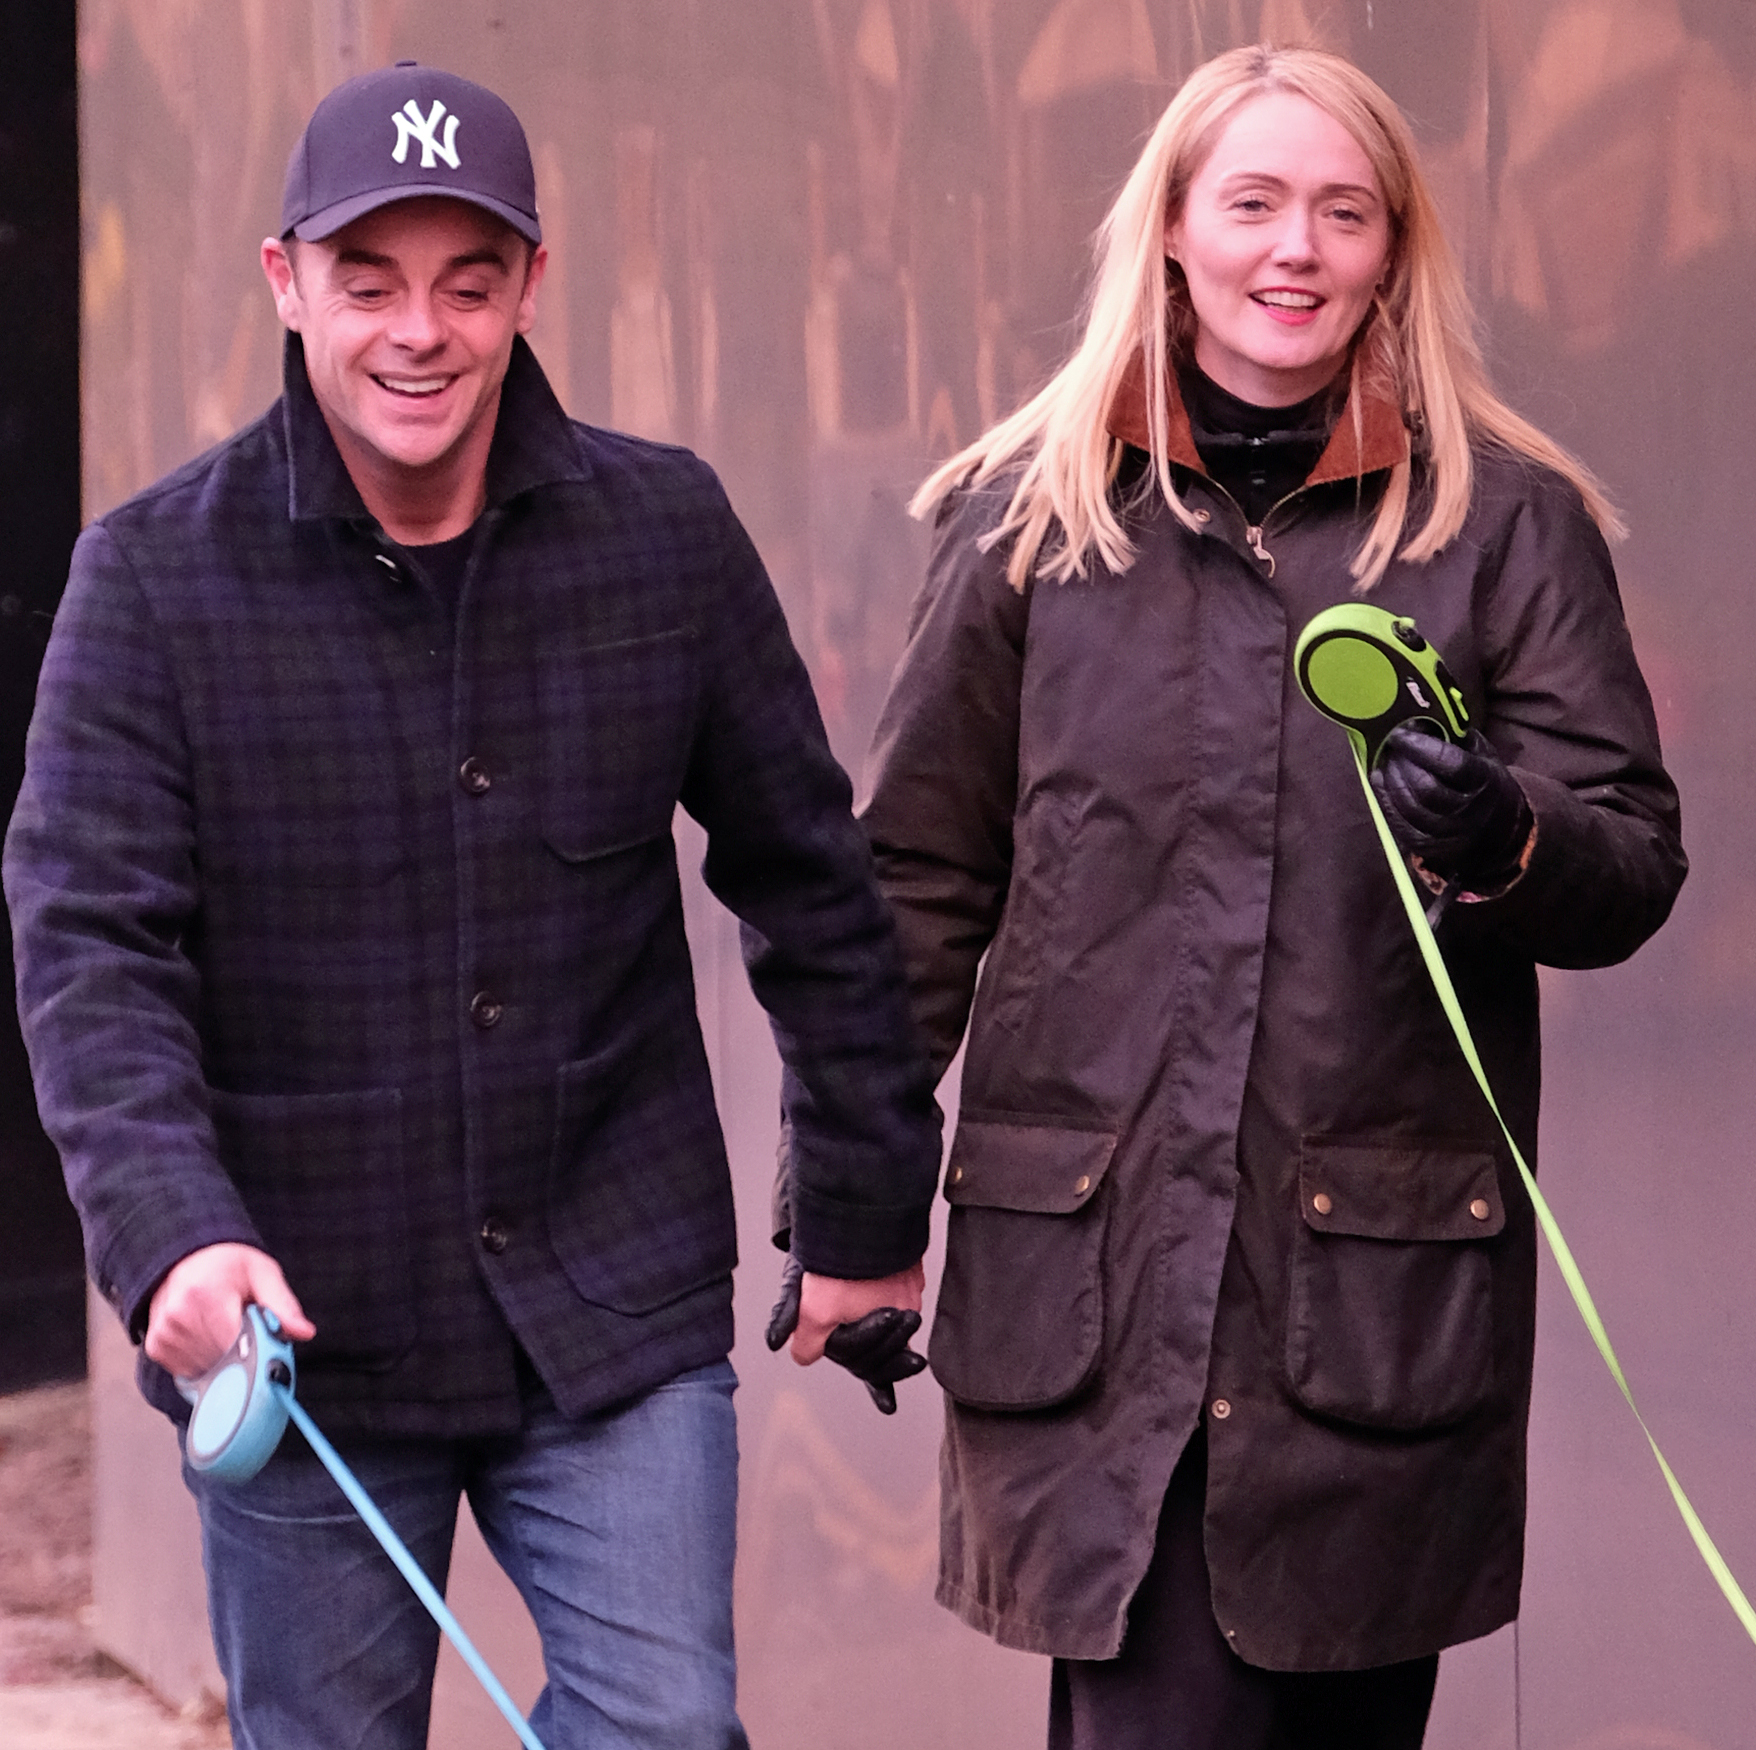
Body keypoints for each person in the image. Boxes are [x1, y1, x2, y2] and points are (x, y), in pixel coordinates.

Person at [4, 62, 937, 1750]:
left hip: (616, 1298)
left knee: (666, 1729)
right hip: (303, 1333)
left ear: (529, 287)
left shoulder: (665, 535)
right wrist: (168, 1238)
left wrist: (867, 1212)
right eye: (368, 282)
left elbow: (814, 879)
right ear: (286, 282)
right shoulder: (148, 581)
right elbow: (90, 946)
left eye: (467, 281)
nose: (418, 332)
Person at [857, 42, 1687, 1750]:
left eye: (1342, 211)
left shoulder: (1504, 526)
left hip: (1367, 1314)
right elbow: (913, 888)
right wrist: (851, 1212)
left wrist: (1502, 828)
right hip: (1098, 1294)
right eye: (1251, 203)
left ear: (1395, 251)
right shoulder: (1034, 519)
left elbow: (1629, 859)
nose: (1293, 248)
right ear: (1170, 230)